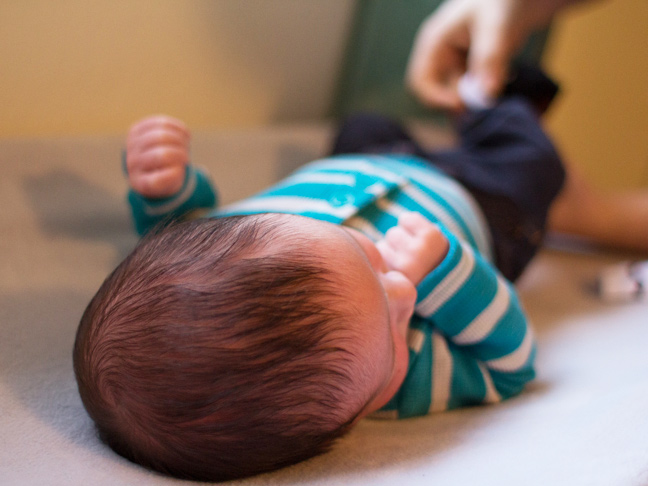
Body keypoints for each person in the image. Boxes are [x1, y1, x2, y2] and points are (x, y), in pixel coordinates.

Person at [74, 93, 566, 481]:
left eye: (364, 254)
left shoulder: (233, 248)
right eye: (395, 334)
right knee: (533, 158)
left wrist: (165, 188)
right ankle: (494, 100)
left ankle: (451, 113)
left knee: (363, 121)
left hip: (366, 160)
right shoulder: (411, 384)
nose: (403, 291)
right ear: (341, 428)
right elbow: (509, 367)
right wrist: (450, 274)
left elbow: (185, 226)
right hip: (482, 203)